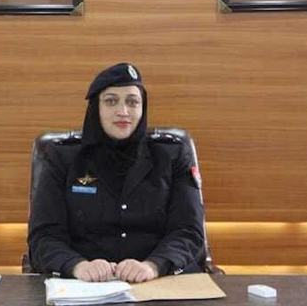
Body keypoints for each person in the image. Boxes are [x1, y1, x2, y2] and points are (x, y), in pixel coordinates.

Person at [27, 63, 205, 283]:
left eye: (132, 102)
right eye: (111, 101)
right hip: (84, 286)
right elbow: (44, 237)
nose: (123, 111)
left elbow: (188, 231)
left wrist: (153, 265)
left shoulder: (171, 155)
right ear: (96, 108)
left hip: (158, 281)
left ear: (142, 107)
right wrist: (77, 265)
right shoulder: (62, 158)